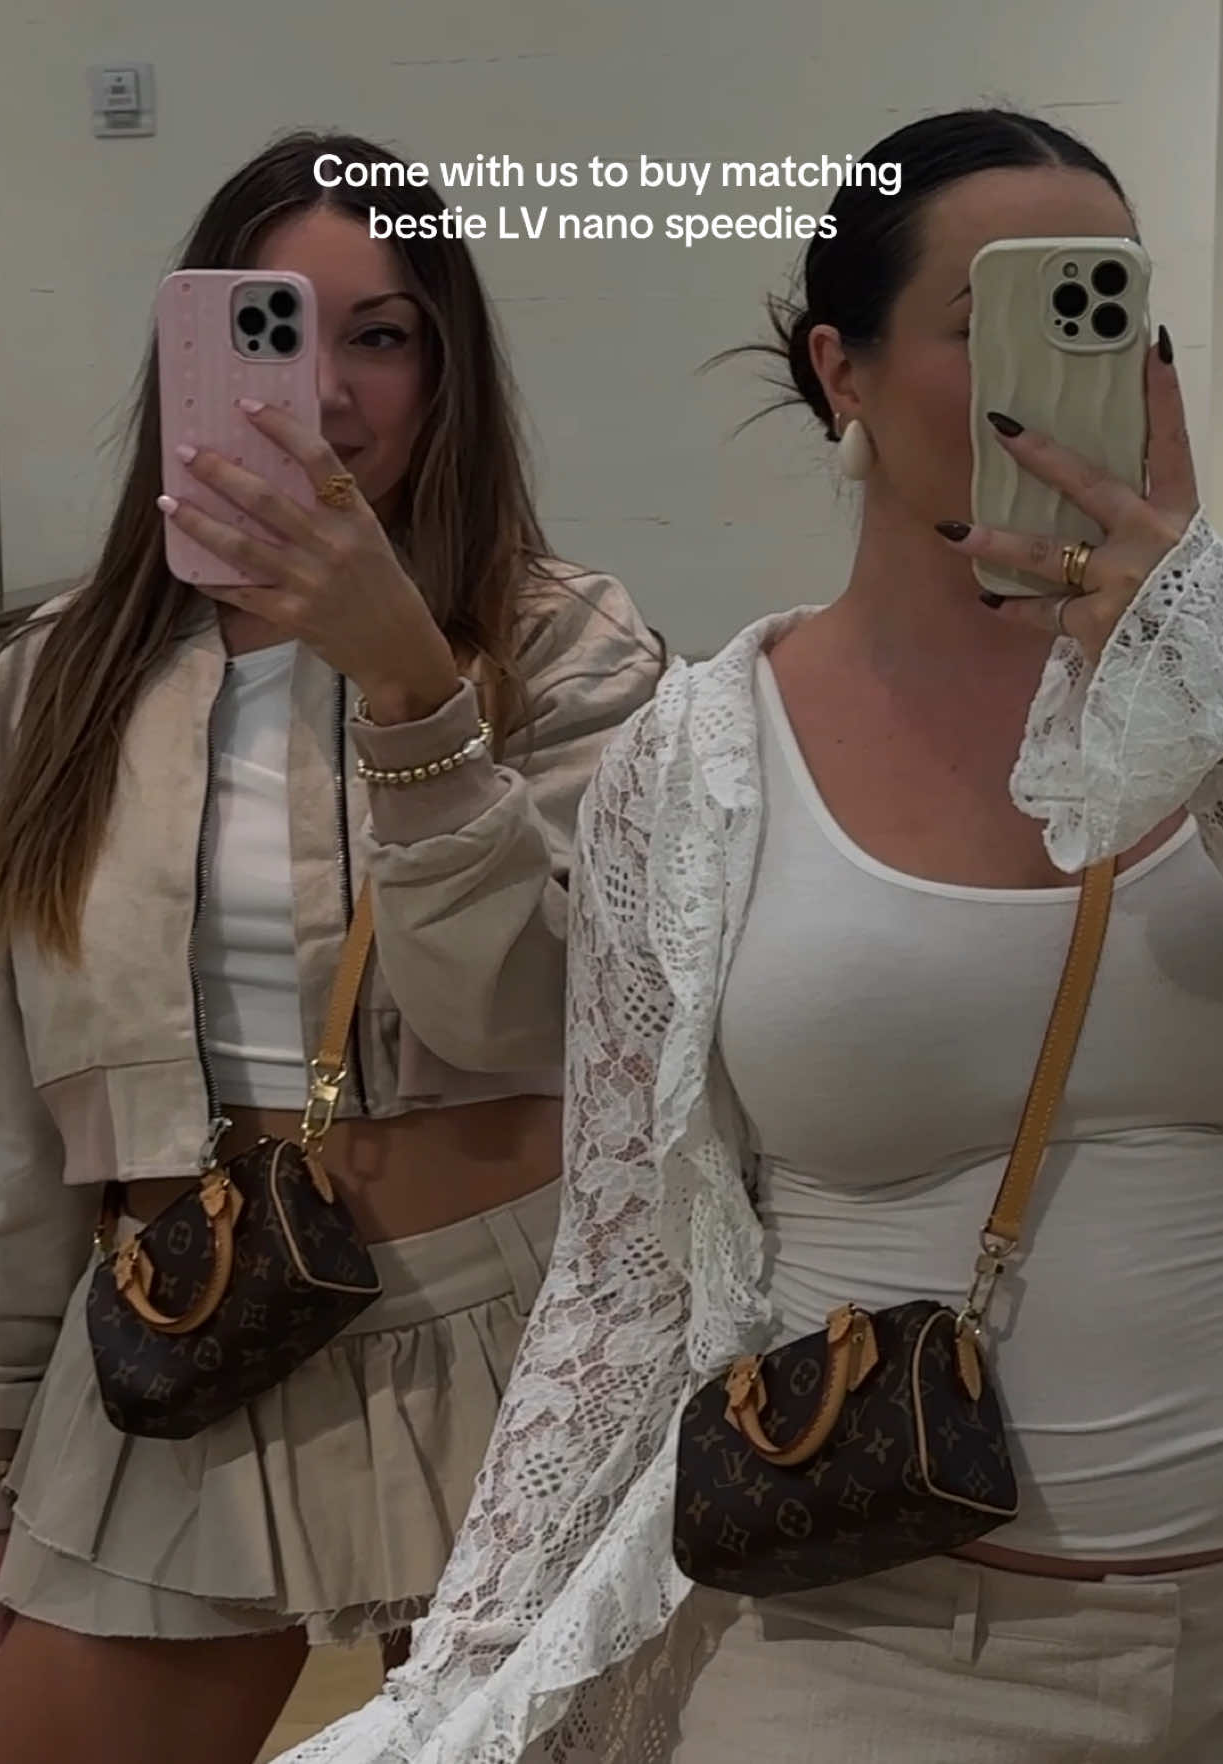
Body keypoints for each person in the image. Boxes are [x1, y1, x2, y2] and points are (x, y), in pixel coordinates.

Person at [278, 109, 1223, 1764]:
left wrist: (1201, 676)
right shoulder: (706, 761)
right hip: (871, 1648)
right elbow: (623, 1260)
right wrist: (473, 1671)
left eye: (1109, 313)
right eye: (995, 318)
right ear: (839, 370)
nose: (1075, 373)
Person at [0, 130, 663, 1764]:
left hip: (508, 1329)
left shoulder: (564, 648)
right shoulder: (51, 685)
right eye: (277, 332)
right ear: (191, 359)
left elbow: (525, 1018)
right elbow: (12, 1133)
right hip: (176, 1331)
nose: (333, 394)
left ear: (446, 370)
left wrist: (411, 691)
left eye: (382, 335)